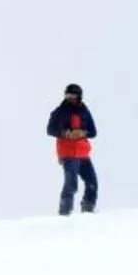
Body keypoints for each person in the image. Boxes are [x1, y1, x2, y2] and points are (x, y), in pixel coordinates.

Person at [47, 83, 98, 215]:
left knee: (92, 182)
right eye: (67, 95)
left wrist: (83, 133)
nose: (70, 98)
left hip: (83, 153)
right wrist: (66, 133)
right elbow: (50, 130)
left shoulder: (85, 111)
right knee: (71, 184)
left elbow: (93, 131)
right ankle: (65, 213)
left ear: (79, 96)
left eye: (73, 95)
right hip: (68, 153)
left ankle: (88, 210)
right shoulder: (59, 111)